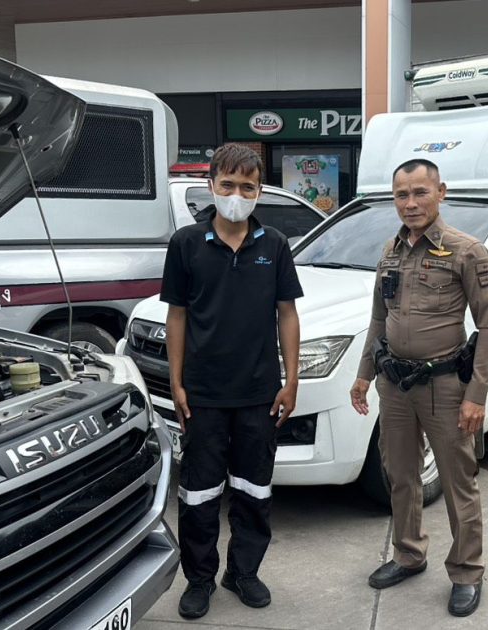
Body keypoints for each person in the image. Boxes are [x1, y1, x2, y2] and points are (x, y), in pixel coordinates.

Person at [349, 159, 488, 617]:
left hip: (444, 388)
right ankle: (409, 553)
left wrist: (476, 395)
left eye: (420, 192)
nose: (410, 203)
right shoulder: (390, 251)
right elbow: (379, 318)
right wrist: (364, 374)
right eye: (402, 195)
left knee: (458, 483)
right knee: (400, 474)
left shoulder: (466, 251)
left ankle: (467, 571)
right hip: (395, 385)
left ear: (441, 192)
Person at [161, 143, 303, 620]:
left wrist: (291, 380)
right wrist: (176, 382)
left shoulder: (274, 244)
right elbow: (177, 317)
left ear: (259, 190)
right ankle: (199, 578)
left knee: (253, 489)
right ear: (211, 186)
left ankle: (243, 572)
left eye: (247, 186)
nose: (237, 195)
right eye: (228, 185)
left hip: (259, 393)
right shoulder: (186, 244)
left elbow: (287, 313)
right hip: (202, 393)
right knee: (198, 493)